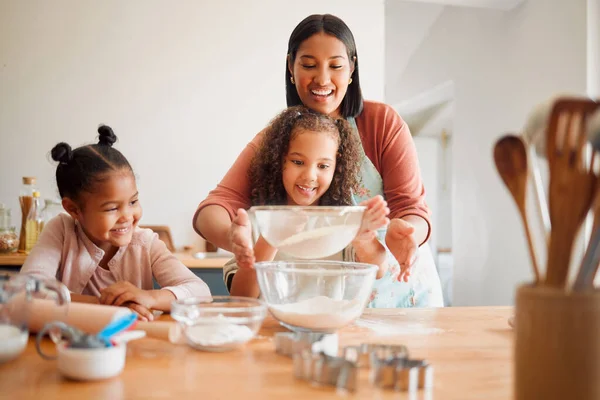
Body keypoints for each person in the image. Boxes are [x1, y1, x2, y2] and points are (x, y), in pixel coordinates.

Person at [194, 14, 443, 307]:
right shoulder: (274, 139)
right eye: (309, 65)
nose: (322, 79)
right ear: (291, 67)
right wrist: (239, 241)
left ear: (352, 69)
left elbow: (410, 208)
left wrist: (408, 233)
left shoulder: (382, 123)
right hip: (337, 312)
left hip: (403, 296)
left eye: (336, 66)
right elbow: (213, 209)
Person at [21, 125, 211, 321]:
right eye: (112, 208)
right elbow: (27, 290)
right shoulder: (61, 231)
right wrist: (107, 306)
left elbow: (201, 293)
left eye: (133, 202)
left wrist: (149, 297)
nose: (127, 216)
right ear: (73, 209)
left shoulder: (145, 242)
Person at [225, 105, 390, 298]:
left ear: (336, 167)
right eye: (298, 162)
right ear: (281, 160)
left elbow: (379, 269)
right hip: (271, 327)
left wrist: (364, 238)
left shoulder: (342, 221)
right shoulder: (257, 221)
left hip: (328, 326)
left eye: (323, 166)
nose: (310, 175)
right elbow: (241, 296)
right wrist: (272, 237)